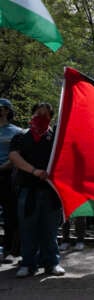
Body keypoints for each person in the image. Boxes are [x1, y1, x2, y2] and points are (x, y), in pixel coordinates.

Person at [9, 102, 65, 278]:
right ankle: (27, 263)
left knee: (50, 230)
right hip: (28, 190)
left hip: (52, 191)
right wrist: (34, 171)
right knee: (28, 229)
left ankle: (52, 263)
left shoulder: (56, 137)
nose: (42, 116)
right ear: (32, 114)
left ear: (51, 118)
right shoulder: (21, 136)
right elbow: (13, 156)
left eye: (46, 114)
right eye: (39, 113)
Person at [0, 98, 23, 261]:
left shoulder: (17, 131)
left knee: (10, 213)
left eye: (1, 108)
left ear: (7, 110)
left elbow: (20, 152)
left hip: (7, 175)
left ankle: (9, 249)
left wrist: (7, 165)